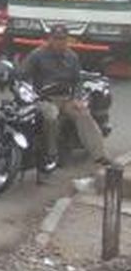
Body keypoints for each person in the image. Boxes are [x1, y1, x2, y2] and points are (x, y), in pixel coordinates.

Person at [21, 24, 108, 168]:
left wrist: (77, 98)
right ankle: (51, 154)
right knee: (51, 116)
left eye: (62, 39)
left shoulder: (72, 57)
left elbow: (77, 80)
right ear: (50, 39)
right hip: (45, 99)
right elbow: (23, 74)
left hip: (66, 98)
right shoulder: (37, 55)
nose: (59, 42)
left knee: (84, 115)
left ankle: (100, 155)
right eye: (56, 39)